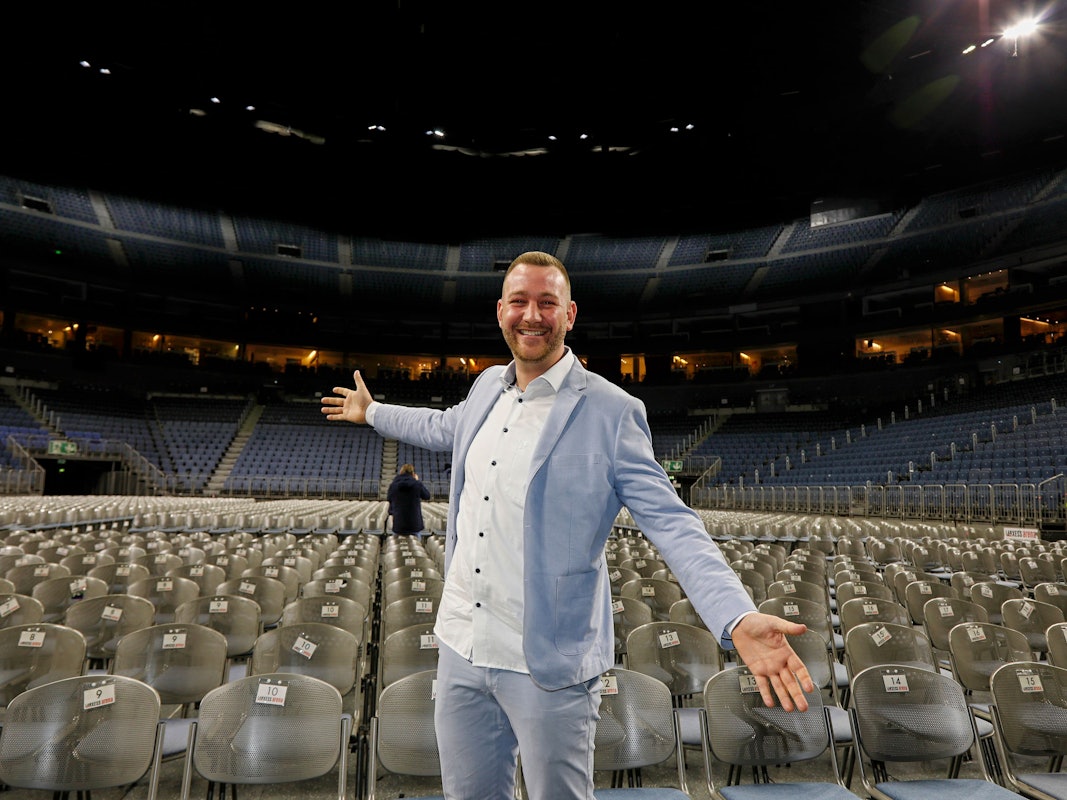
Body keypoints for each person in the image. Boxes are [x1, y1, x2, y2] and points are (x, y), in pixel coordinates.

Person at [322, 251, 813, 800]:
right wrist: (373, 413)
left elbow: (673, 522)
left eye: (547, 303)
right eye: (519, 302)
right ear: (500, 310)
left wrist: (735, 615)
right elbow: (441, 425)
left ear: (569, 314)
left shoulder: (612, 409)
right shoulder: (486, 386)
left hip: (548, 663)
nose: (532, 315)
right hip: (461, 644)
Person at [386, 462, 430, 534]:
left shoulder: (393, 485)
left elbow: (389, 498)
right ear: (412, 473)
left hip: (399, 523)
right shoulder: (417, 484)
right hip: (414, 524)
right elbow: (427, 496)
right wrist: (417, 481)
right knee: (416, 544)